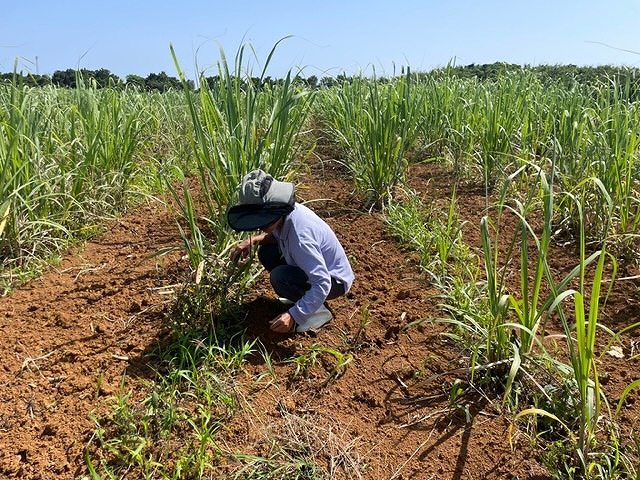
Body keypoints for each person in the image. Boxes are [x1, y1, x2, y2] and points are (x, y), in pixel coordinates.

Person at [227, 169, 354, 333]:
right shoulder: (286, 214)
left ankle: (318, 313)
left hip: (333, 281)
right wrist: (254, 240)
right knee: (267, 252)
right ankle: (302, 298)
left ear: (276, 208)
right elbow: (277, 236)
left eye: (263, 221)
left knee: (280, 277)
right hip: (317, 270)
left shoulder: (300, 237)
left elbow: (322, 283)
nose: (260, 226)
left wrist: (294, 315)